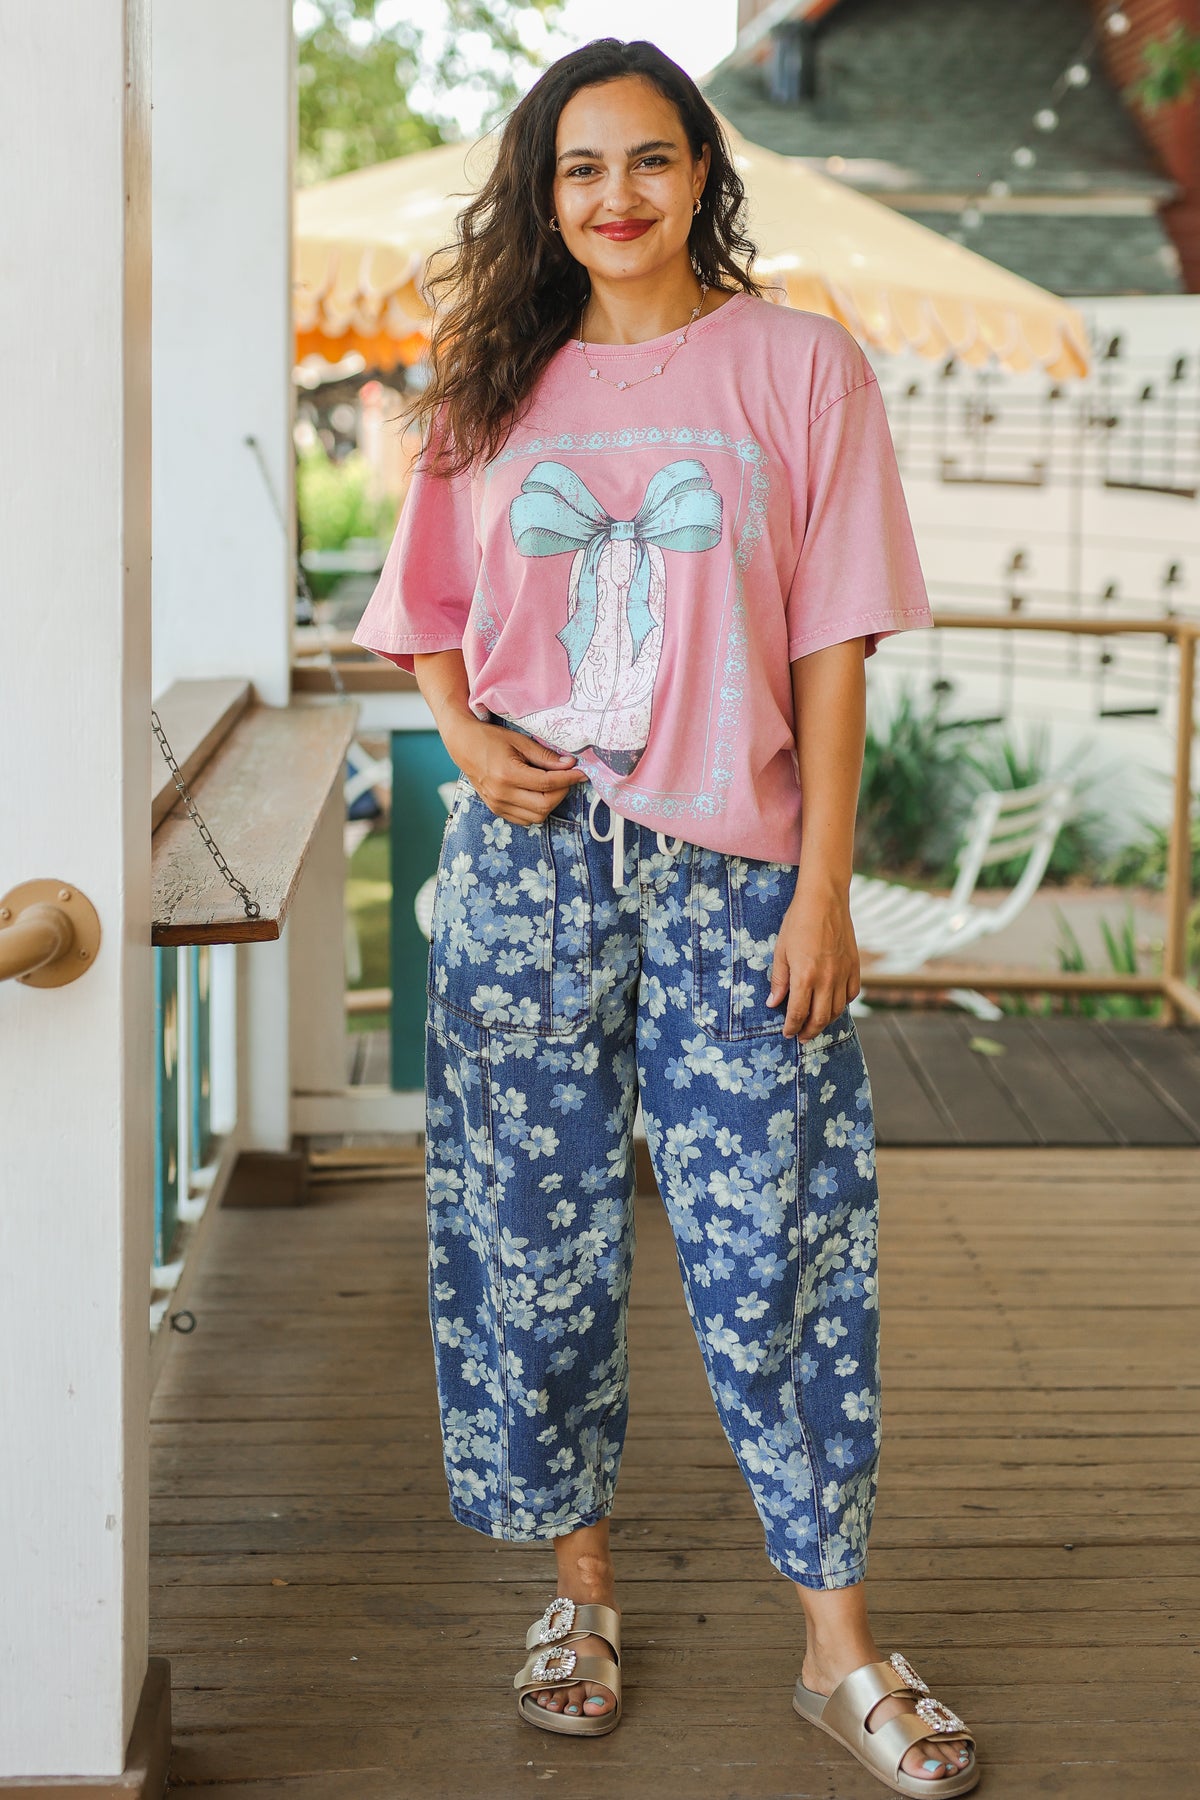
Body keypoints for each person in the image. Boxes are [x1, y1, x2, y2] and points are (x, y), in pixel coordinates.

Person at [353, 37, 979, 1797]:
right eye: (580, 168)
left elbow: (835, 642)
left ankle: (839, 1651)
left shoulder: (800, 366)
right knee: (533, 1242)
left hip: (738, 877)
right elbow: (425, 608)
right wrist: (464, 731)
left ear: (703, 169)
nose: (614, 195)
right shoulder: (491, 380)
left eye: (648, 159)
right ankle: (579, 1596)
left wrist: (824, 885)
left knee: (782, 1247)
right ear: (542, 195)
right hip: (532, 875)